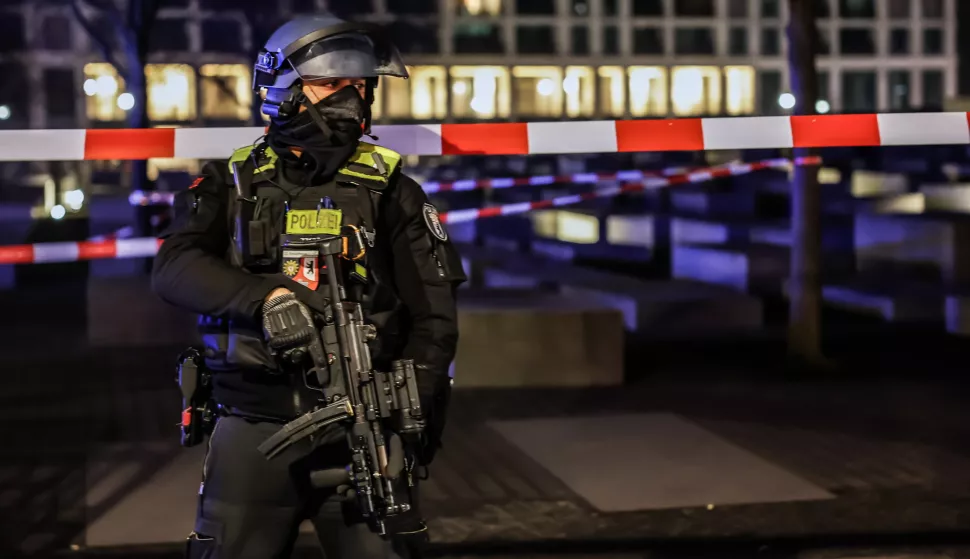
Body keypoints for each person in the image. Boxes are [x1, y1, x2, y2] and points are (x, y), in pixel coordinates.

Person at [151, 13, 466, 559]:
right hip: (254, 428)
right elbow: (173, 266)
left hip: (364, 431)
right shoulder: (230, 182)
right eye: (329, 84)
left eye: (359, 86)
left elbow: (434, 321)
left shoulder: (392, 192)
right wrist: (265, 299)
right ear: (284, 91)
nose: (348, 100)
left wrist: (410, 411)